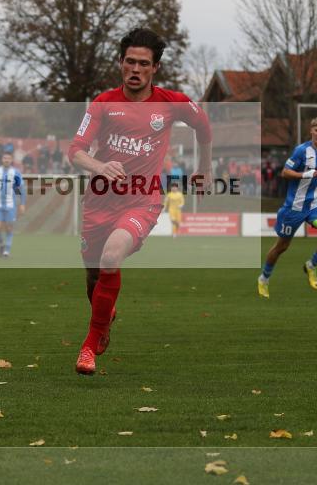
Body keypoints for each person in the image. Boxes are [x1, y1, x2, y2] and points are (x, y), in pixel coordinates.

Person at [67, 27, 212, 376]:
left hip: (141, 201)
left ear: (155, 67)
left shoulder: (171, 103)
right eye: (129, 61)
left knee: (111, 256)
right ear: (120, 63)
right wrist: (100, 166)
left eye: (143, 63)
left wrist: (204, 168)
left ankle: (89, 345)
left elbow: (203, 125)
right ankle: (104, 318)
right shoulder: (103, 104)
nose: (135, 69)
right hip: (99, 203)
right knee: (94, 275)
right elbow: (75, 152)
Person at [257, 116, 317, 300]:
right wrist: (305, 174)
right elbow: (285, 172)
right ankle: (264, 278)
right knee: (281, 247)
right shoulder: (301, 151)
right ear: (311, 131)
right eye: (316, 130)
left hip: (315, 206)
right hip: (294, 207)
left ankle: (311, 265)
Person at [0, 147, 27, 258]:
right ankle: (2, 244)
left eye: (8, 158)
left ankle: (7, 250)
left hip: (10, 205)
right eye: (5, 158)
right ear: (2, 159)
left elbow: (22, 189)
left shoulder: (16, 173)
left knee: (9, 227)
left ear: (12, 160)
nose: (6, 160)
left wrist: (22, 203)